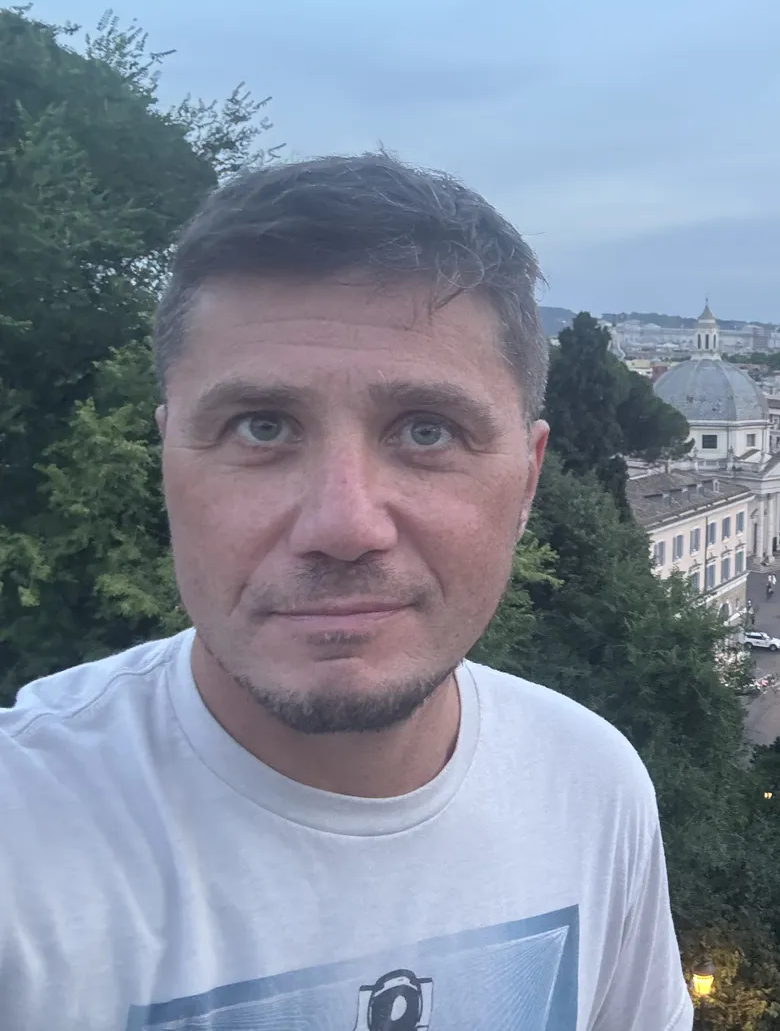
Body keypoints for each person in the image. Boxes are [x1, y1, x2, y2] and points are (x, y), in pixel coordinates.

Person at [0, 155, 691, 1028]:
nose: (344, 523)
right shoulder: (19, 837)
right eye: (262, 427)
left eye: (426, 431)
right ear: (168, 462)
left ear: (527, 481)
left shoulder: (593, 785)